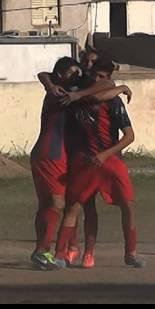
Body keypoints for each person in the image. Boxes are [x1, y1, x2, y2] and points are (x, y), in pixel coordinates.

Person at [30, 57, 131, 269]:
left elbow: (104, 85)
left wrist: (117, 86)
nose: (77, 75)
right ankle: (43, 251)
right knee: (57, 203)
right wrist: (120, 87)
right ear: (60, 76)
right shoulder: (61, 93)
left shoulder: (71, 91)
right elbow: (102, 91)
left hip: (60, 154)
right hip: (52, 153)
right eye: (72, 72)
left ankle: (58, 249)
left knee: (55, 204)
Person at [54, 55, 145, 269]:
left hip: (110, 159)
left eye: (104, 76)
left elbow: (129, 136)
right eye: (97, 74)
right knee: (75, 208)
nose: (100, 79)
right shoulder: (77, 94)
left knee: (128, 205)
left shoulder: (111, 101)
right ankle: (61, 254)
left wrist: (105, 155)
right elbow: (46, 76)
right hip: (85, 161)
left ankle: (130, 253)